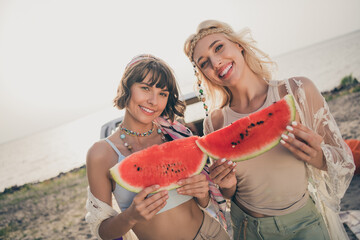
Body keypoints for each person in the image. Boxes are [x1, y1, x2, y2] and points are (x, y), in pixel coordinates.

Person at [184, 20, 355, 240]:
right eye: (204, 63)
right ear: (204, 74)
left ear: (239, 45)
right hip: (248, 229)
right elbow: (229, 195)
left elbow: (345, 159)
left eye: (218, 47)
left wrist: (319, 156)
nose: (216, 62)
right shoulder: (214, 123)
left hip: (305, 225)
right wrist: (227, 185)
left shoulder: (297, 91)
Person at [85, 54, 230, 240]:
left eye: (163, 93)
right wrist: (130, 217)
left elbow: (205, 201)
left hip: (211, 234)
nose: (154, 101)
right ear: (126, 87)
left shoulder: (175, 135)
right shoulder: (101, 154)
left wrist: (202, 193)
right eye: (145, 88)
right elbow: (102, 231)